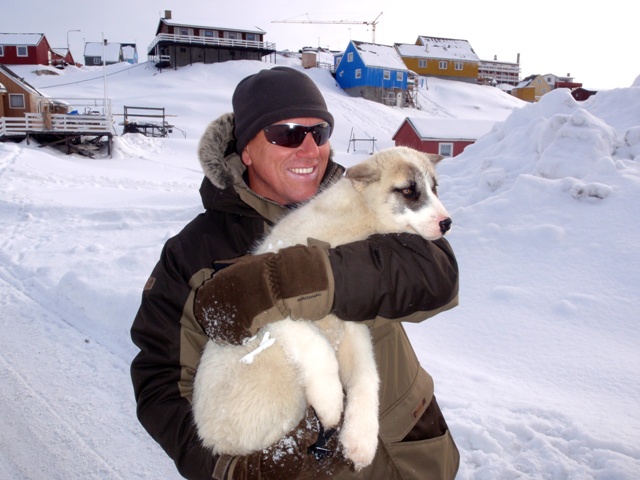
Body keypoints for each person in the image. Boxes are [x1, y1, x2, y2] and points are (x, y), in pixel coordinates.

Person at [130, 66, 460, 480]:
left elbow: (438, 277)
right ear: (246, 150)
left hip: (413, 457)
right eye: (286, 134)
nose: (308, 149)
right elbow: (159, 382)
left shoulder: (372, 194)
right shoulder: (194, 253)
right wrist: (229, 471)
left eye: (318, 133)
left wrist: (303, 278)